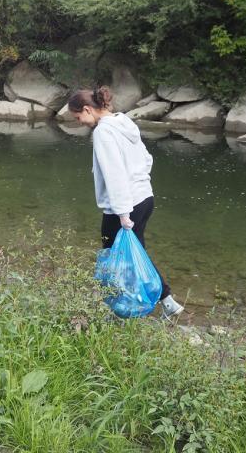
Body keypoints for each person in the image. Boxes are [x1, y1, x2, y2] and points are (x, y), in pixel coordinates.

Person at [69, 86, 184, 319]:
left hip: (124, 206)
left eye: (78, 117)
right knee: (135, 252)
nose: (79, 122)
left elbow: (115, 174)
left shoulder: (103, 132)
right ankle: (167, 302)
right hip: (144, 198)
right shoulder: (124, 123)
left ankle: (121, 311)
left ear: (88, 109)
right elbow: (146, 159)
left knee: (115, 257)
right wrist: (140, 182)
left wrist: (122, 213)